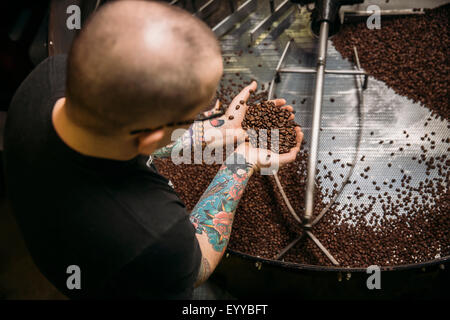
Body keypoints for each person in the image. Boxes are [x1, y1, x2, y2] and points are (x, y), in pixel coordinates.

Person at [3, 0, 302, 299]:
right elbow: (198, 263)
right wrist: (242, 160)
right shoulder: (153, 233)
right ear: (148, 139)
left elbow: (119, 134)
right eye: (198, 114)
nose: (207, 117)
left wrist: (220, 130)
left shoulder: (47, 78)